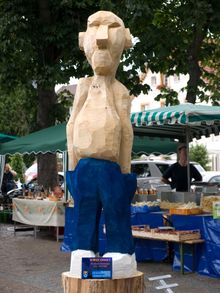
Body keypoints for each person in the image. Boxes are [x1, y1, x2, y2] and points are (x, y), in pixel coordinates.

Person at [66, 11, 137, 278]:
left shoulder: (120, 90)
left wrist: (126, 170)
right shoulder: (83, 86)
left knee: (115, 208)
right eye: (95, 28)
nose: (103, 38)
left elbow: (126, 131)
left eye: (111, 28)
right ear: (84, 39)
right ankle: (83, 248)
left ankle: (121, 250)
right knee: (85, 210)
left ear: (125, 40)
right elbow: (71, 124)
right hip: (84, 166)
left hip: (111, 167)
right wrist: (72, 167)